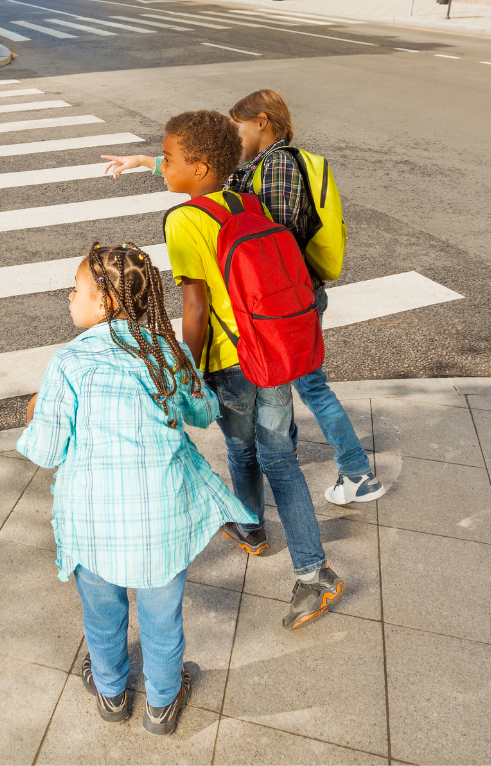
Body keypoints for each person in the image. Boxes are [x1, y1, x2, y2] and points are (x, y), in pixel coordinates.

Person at [102, 89, 384, 515]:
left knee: (310, 386)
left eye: (237, 126)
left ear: (262, 122)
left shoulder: (279, 167)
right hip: (273, 304)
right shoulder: (254, 170)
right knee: (291, 389)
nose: (233, 136)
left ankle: (356, 471)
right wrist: (147, 162)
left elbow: (274, 240)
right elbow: (212, 179)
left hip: (284, 303)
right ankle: (291, 457)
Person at [18, 242, 256, 734]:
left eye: (77, 288)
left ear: (104, 301)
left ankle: (111, 694)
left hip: (93, 523)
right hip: (161, 520)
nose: (69, 295)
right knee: (162, 619)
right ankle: (163, 704)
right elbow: (204, 411)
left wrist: (35, 410)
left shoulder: (69, 363)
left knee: (103, 617)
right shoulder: (164, 351)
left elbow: (44, 450)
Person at [129, 110, 347, 630]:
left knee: (250, 450)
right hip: (270, 350)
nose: (162, 165)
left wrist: (189, 364)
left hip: (229, 360)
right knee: (277, 454)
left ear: (201, 168)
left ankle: (314, 572)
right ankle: (252, 527)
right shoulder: (244, 200)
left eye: (169, 158)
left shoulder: (183, 221)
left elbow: (195, 305)